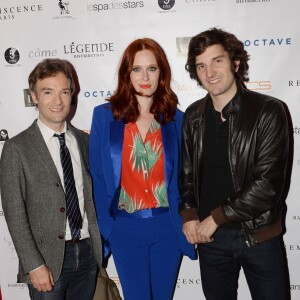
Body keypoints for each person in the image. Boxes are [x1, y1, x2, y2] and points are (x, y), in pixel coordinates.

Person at [180, 28, 289, 300]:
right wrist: (190, 215)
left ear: (235, 63)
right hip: (211, 242)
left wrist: (214, 218)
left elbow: (267, 186)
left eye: (217, 60)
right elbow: (187, 175)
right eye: (201, 66)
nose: (210, 72)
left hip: (258, 236)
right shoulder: (194, 115)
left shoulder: (268, 111)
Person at [89, 38, 196, 300]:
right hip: (125, 227)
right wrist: (109, 228)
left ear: (162, 73)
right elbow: (98, 178)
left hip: (167, 227)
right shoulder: (105, 116)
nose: (145, 76)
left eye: (152, 68)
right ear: (127, 73)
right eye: (137, 69)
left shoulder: (175, 119)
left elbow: (185, 178)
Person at [0, 58, 102, 300]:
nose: (58, 101)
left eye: (64, 92)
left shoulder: (85, 142)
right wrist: (34, 265)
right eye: (48, 92)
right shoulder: (17, 148)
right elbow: (14, 213)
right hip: (46, 262)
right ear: (34, 96)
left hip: (87, 255)